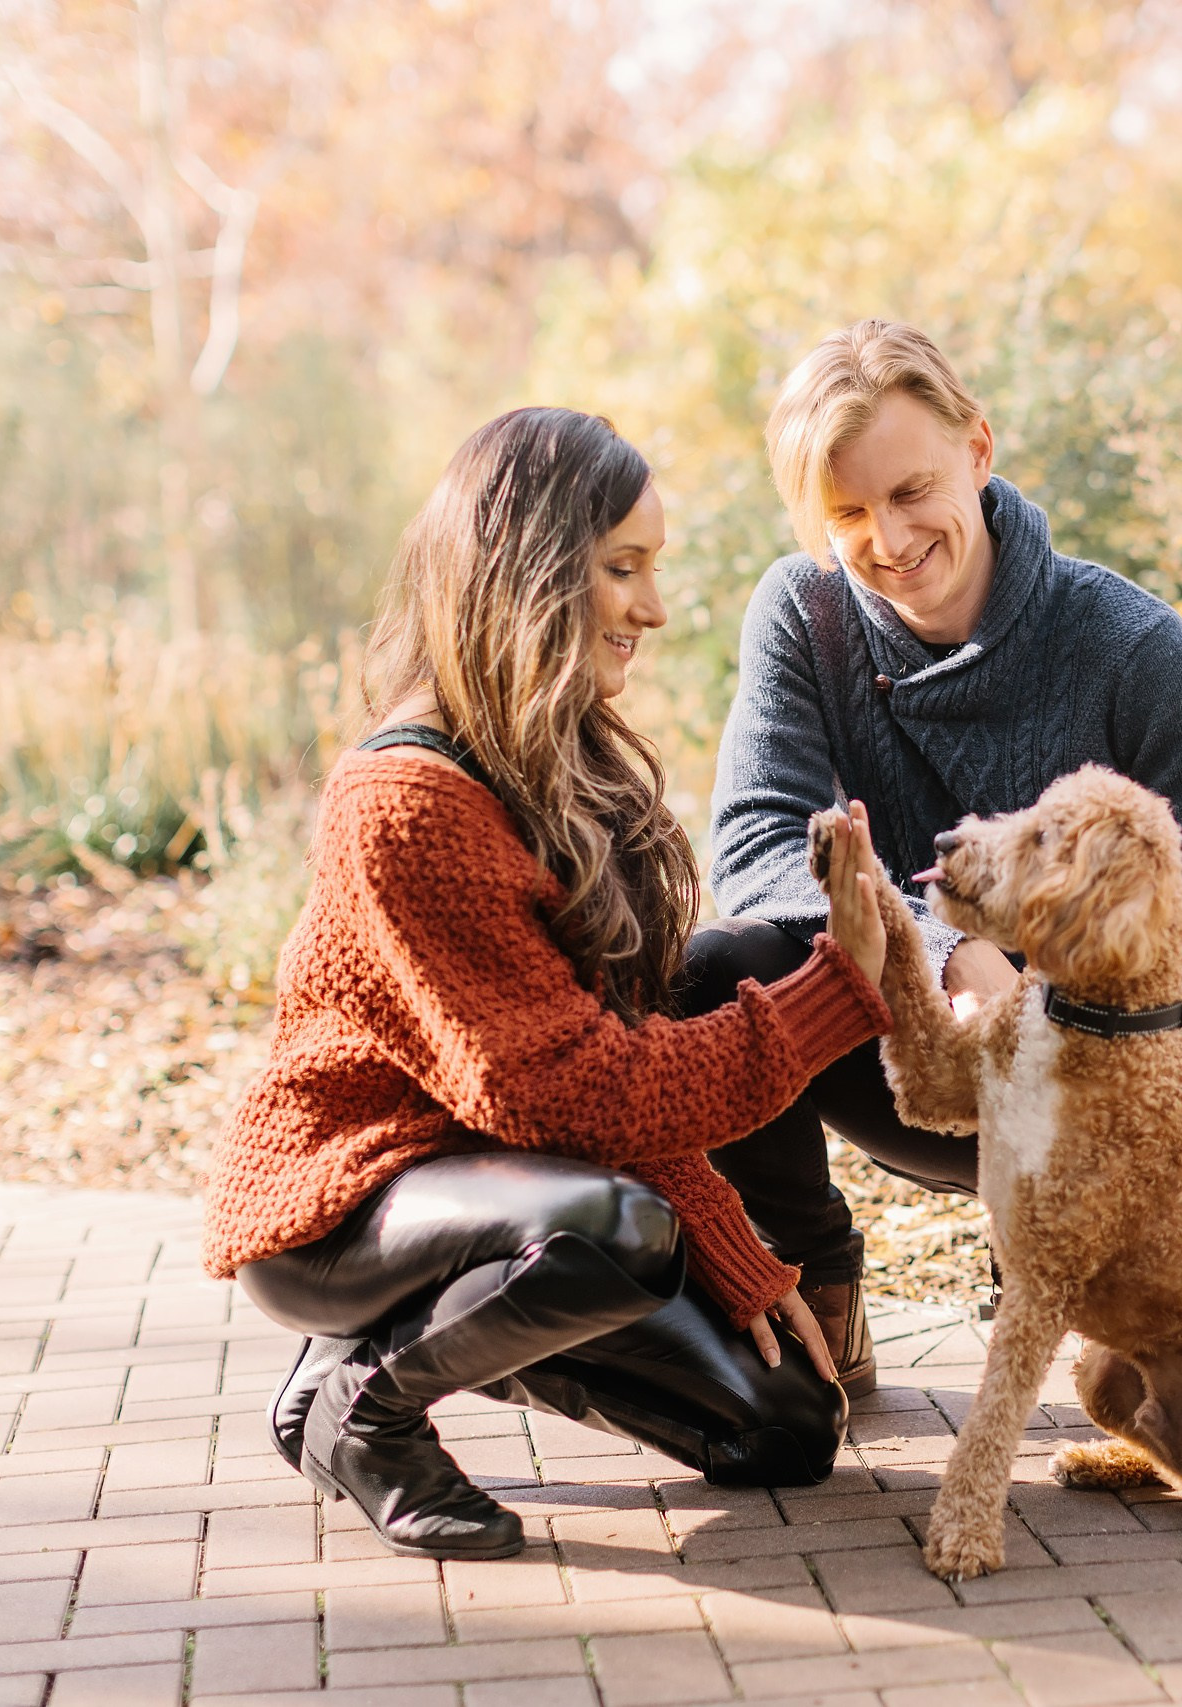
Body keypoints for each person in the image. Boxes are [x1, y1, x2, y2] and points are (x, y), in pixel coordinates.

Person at [203, 407, 896, 1562]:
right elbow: (571, 1095)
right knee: (615, 1233)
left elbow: (601, 1048)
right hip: (348, 1205)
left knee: (787, 1430)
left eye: (651, 570)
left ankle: (378, 1356)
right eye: (622, 569)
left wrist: (724, 1240)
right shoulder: (405, 803)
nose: (653, 607)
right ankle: (362, 1408)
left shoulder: (558, 763)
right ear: (527, 568)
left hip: (511, 1194)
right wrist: (831, 994)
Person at [701, 320, 1182, 1396]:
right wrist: (937, 951)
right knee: (715, 967)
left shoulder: (1124, 643)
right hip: (924, 1061)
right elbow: (752, 847)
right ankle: (819, 1275)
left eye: (910, 490)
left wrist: (1087, 1041)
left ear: (979, 448)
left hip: (1125, 1068)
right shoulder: (805, 615)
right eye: (847, 513)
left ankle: (1102, 1295)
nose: (887, 537)